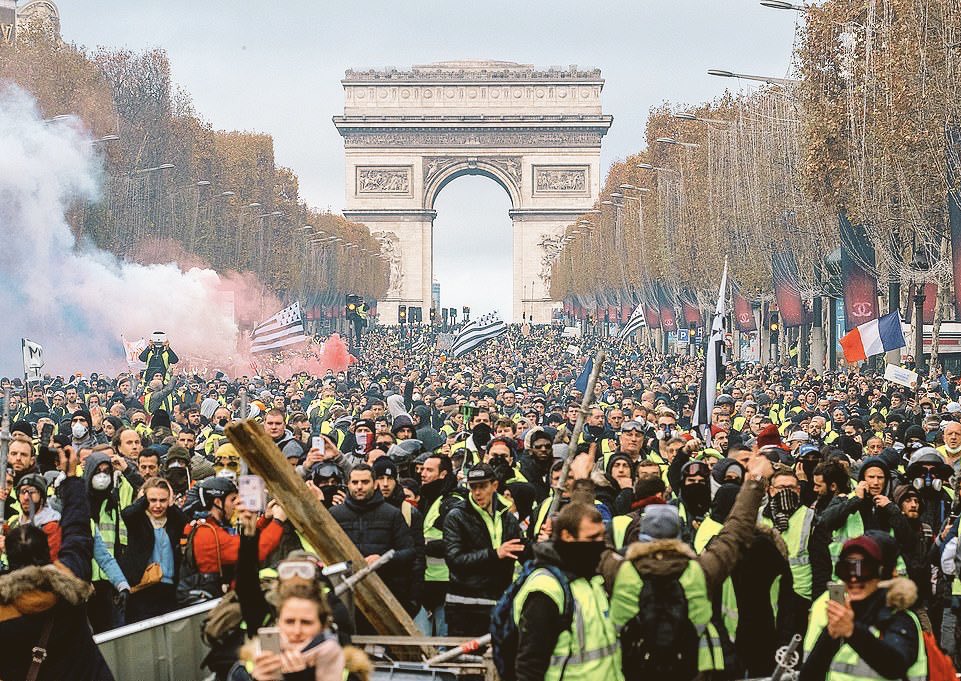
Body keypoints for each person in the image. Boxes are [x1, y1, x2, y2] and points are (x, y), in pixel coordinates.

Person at [607, 455, 775, 680]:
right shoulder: (699, 570)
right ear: (678, 535)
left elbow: (594, 547)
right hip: (692, 669)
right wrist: (754, 482)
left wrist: (580, 484)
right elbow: (734, 533)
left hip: (632, 669)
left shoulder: (620, 572)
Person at [0, 446, 116, 681]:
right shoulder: (71, 580)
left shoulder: (4, 613)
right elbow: (78, 532)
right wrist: (72, 478)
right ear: (47, 552)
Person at [513, 501, 623, 681]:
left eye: (602, 537)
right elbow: (530, 664)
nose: (599, 545)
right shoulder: (547, 589)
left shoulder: (591, 580)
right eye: (592, 538)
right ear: (567, 536)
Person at [801, 534, 926, 680]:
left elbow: (895, 665)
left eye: (864, 569)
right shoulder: (842, 616)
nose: (854, 578)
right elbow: (809, 675)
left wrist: (852, 631)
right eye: (847, 570)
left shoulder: (900, 617)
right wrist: (830, 635)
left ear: (879, 573)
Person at [443, 463, 527, 636]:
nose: (477, 492)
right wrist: (495, 554)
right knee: (464, 661)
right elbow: (454, 559)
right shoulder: (456, 516)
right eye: (473, 487)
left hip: (499, 602)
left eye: (482, 486)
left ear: (494, 486)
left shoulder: (507, 517)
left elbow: (520, 549)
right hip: (464, 607)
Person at [328, 463, 416, 624]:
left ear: (375, 484)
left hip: (386, 594)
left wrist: (383, 559)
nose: (359, 487)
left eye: (365, 482)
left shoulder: (391, 515)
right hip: (346, 595)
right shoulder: (335, 515)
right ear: (348, 484)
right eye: (355, 482)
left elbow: (409, 552)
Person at [119, 477, 188, 622]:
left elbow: (183, 519)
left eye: (162, 500)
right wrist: (143, 500)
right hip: (142, 588)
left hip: (169, 589)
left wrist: (171, 503)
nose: (158, 505)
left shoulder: (173, 520)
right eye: (153, 500)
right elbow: (127, 514)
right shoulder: (138, 519)